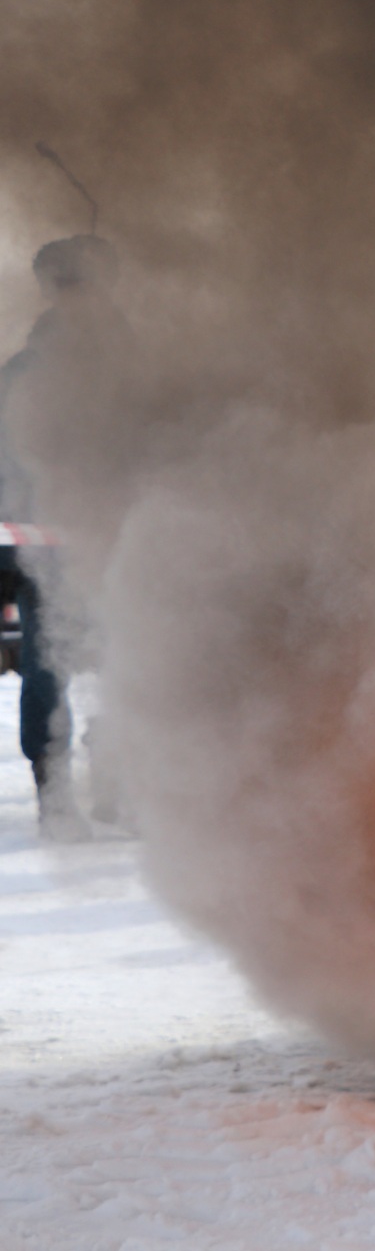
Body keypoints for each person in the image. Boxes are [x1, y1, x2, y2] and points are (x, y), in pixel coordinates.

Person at [0, 235, 131, 841]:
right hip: (68, 537)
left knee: (70, 660)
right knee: (92, 659)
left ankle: (86, 789)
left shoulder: (25, 365)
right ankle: (80, 792)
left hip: (43, 535)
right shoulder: (104, 360)